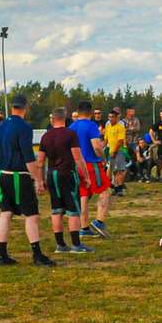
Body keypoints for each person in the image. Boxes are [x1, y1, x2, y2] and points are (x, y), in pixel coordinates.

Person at [0, 95, 55, 268]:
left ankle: (2, 254)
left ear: (12, 107)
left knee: (6, 212)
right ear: (25, 108)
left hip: (3, 173)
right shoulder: (24, 127)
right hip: (18, 175)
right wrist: (38, 180)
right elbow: (28, 157)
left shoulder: (1, 126)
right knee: (32, 215)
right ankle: (37, 254)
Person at [40, 108, 91, 255]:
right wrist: (85, 176)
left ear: (52, 119)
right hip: (67, 174)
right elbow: (78, 157)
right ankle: (76, 244)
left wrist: (41, 179)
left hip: (51, 175)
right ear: (65, 119)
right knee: (73, 210)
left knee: (56, 210)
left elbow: (40, 161)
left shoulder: (46, 136)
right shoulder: (70, 134)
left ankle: (60, 245)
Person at [71, 101, 111, 236]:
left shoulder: (71, 126)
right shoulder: (92, 125)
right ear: (90, 112)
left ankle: (84, 228)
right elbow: (97, 146)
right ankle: (99, 221)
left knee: (83, 195)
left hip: (77, 165)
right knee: (105, 191)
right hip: (91, 164)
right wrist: (103, 158)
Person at [105, 108, 129, 195]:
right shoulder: (108, 127)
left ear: (116, 118)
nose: (110, 119)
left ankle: (119, 188)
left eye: (112, 117)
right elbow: (106, 139)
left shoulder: (120, 127)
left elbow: (120, 141)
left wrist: (114, 151)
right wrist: (102, 148)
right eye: (109, 117)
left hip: (119, 151)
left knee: (120, 170)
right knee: (113, 171)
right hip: (111, 151)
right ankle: (115, 187)